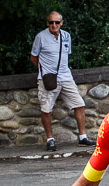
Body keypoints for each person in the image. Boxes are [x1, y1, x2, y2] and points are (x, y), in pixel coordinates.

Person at [30, 11, 93, 150]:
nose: (54, 25)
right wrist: (44, 71)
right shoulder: (41, 37)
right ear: (47, 23)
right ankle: (50, 139)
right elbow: (33, 56)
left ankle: (82, 137)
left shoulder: (66, 36)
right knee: (46, 109)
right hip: (48, 78)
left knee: (79, 104)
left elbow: (66, 54)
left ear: (61, 23)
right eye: (51, 22)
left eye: (57, 22)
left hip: (66, 76)